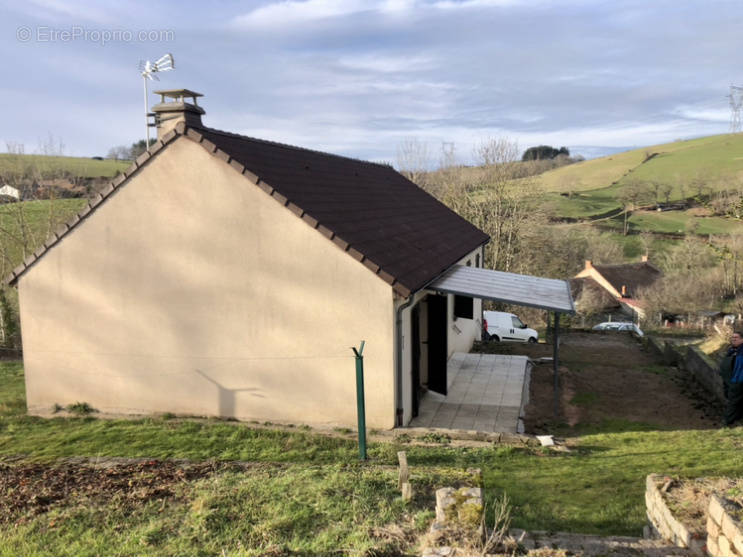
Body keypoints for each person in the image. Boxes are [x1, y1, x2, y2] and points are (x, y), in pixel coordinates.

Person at [720, 331, 743, 426]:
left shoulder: (741, 351)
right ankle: (737, 418)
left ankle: (727, 422)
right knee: (733, 399)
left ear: (742, 339)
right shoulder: (732, 350)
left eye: (736, 337)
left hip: (738, 380)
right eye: (732, 337)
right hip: (729, 380)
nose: (733, 339)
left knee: (733, 401)